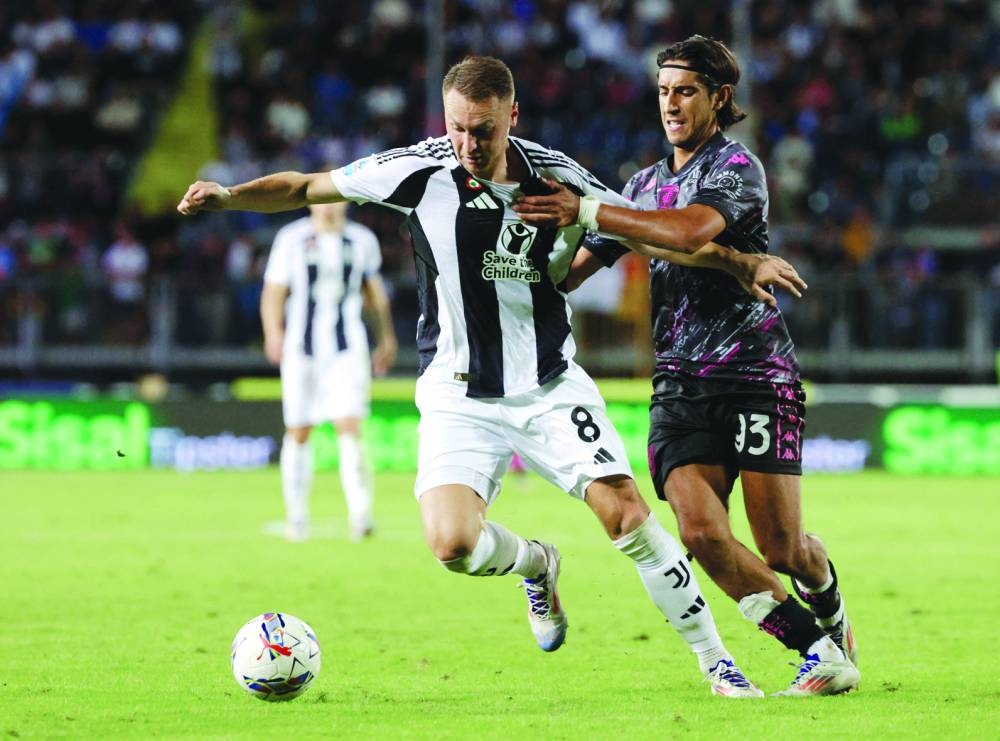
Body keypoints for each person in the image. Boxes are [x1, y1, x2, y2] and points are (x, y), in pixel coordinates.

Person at [180, 55, 794, 698]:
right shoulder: (416, 169)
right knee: (451, 545)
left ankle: (715, 661)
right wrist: (230, 197)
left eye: (484, 131)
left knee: (628, 516)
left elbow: (652, 238)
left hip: (548, 385)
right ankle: (537, 563)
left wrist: (736, 262)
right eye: (458, 128)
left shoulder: (557, 179)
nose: (469, 145)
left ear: (512, 118)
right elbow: (308, 187)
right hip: (456, 390)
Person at [513, 35, 860, 696]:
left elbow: (688, 232)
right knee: (701, 531)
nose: (671, 103)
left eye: (686, 91)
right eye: (664, 90)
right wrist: (534, 240)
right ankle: (816, 651)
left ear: (719, 98)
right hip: (678, 382)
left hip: (757, 374)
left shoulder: (737, 168)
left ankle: (828, 603)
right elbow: (568, 273)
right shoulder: (642, 185)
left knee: (784, 549)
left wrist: (586, 208)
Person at [260, 200, 397, 542]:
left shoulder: (361, 240)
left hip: (347, 347)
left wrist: (386, 338)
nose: (329, 206)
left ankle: (362, 516)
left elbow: (374, 293)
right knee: (299, 429)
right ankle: (297, 517)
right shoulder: (291, 238)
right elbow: (274, 291)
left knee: (348, 426)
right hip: (301, 348)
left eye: (336, 198)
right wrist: (273, 333)